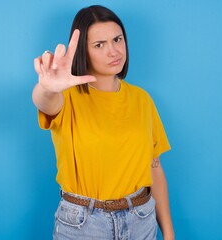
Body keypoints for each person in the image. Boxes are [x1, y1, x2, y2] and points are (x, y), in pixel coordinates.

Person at [32, 5, 174, 240]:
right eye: (99, 45)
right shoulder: (66, 98)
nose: (113, 51)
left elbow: (154, 168)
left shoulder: (142, 100)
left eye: (117, 40)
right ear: (83, 52)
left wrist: (168, 233)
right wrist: (46, 87)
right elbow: (43, 102)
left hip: (141, 220)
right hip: (83, 226)